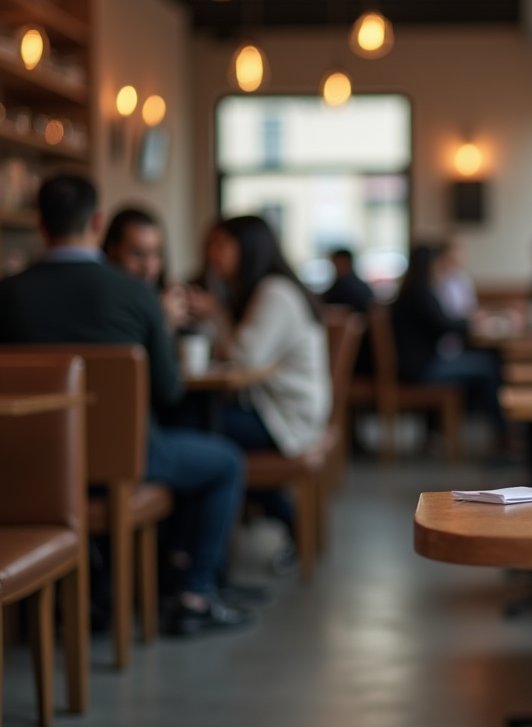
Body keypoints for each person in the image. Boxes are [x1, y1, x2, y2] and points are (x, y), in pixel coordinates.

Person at [0, 176, 252, 636]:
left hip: (29, 469)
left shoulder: (8, 293)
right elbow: (169, 391)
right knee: (227, 462)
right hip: (126, 462)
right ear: (97, 223)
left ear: (40, 224)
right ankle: (194, 593)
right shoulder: (135, 295)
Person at [187, 215, 331, 572]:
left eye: (221, 244)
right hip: (273, 408)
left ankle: (197, 562)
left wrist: (215, 312)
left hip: (287, 415)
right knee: (208, 436)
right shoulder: (256, 290)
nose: (211, 253)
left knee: (197, 432)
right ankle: (206, 560)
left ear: (247, 248)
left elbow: (240, 359)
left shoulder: (275, 292)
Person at [391, 243, 504, 431]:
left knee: (484, 362)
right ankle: (502, 433)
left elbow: (443, 322)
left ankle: (494, 430)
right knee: (489, 365)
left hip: (419, 363)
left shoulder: (415, 290)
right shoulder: (420, 292)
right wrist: (473, 323)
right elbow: (444, 324)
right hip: (421, 369)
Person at [102, 206, 188, 332]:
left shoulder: (165, 298)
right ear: (112, 251)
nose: (149, 266)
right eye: (138, 254)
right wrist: (160, 319)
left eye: (156, 254)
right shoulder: (102, 303)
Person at [323, 247, 374, 376]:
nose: (333, 267)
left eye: (334, 263)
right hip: (368, 355)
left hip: (353, 358)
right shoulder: (362, 285)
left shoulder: (342, 287)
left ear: (343, 261)